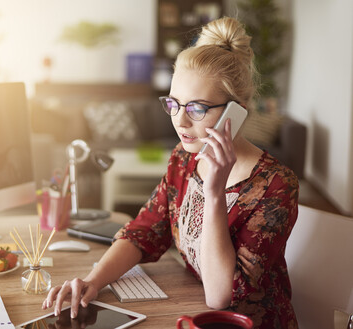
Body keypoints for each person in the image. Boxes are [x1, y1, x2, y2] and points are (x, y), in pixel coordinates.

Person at [43, 16, 299, 329]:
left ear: (239, 108)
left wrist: (214, 193)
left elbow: (221, 297)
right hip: (193, 312)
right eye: (174, 104)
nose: (180, 121)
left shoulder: (276, 185)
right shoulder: (185, 158)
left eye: (197, 109)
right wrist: (93, 282)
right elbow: (144, 231)